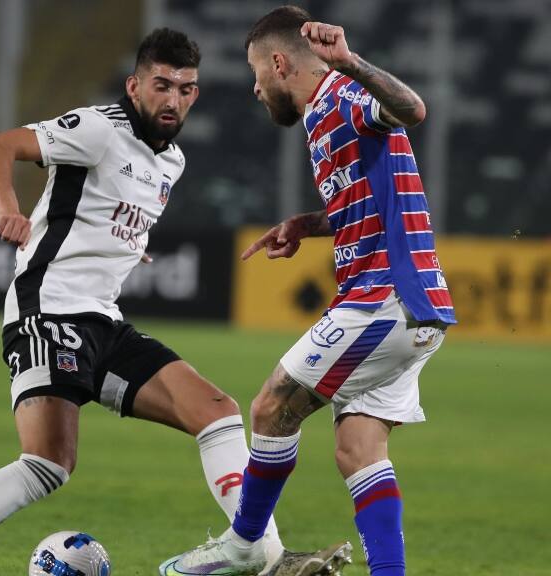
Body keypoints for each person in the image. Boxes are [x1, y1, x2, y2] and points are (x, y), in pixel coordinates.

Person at [0, 27, 340, 576]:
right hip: (48, 308)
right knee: (48, 462)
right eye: (161, 85)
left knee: (217, 412)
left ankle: (264, 557)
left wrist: (125, 247)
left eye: (185, 88)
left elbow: (106, 215)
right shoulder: (97, 128)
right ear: (134, 85)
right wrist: (8, 207)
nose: (173, 99)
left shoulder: (173, 162)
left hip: (104, 319)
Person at [162, 6, 456, 576]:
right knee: (359, 450)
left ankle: (245, 545)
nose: (254, 87)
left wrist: (348, 62)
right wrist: (309, 223)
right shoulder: (322, 121)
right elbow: (369, 195)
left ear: (279, 63)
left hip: (386, 299)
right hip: (415, 308)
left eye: (255, 72)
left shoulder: (341, 94)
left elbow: (412, 110)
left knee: (272, 406)